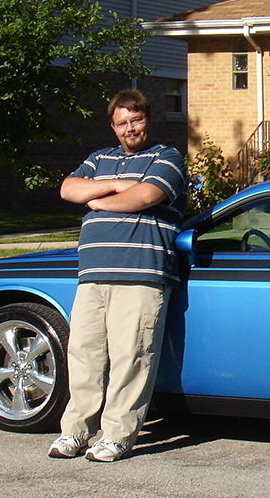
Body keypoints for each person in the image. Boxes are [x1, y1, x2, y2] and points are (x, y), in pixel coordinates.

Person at [49, 89, 187, 463]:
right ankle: (75, 432)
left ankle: (117, 436)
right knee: (84, 355)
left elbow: (145, 197)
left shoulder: (167, 157)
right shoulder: (98, 158)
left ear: (148, 120)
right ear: (113, 127)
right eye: (123, 122)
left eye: (136, 120)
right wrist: (114, 185)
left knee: (132, 356)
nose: (130, 128)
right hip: (92, 275)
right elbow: (68, 189)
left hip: (141, 273)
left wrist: (95, 199)